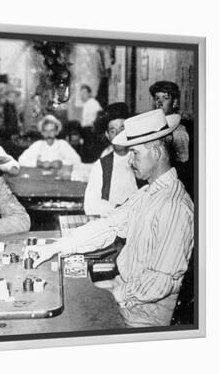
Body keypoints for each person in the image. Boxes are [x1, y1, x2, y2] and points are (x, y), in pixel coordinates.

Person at [32, 109, 194, 327]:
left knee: (62, 324)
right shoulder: (147, 193)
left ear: (156, 152)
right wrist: (57, 247)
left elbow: (161, 281)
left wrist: (115, 293)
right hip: (127, 295)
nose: (130, 160)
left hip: (142, 315)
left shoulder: (174, 206)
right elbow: (109, 226)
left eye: (135, 153)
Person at [84, 103, 138, 217]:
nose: (118, 135)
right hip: (112, 221)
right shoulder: (102, 165)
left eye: (122, 129)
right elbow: (89, 205)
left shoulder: (140, 158)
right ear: (108, 135)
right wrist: (117, 208)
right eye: (113, 131)